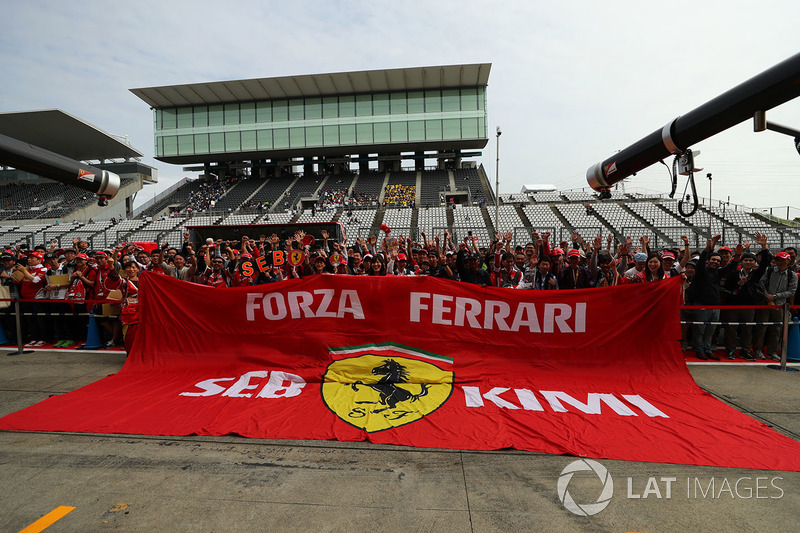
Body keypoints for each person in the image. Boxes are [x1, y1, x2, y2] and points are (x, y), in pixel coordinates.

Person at [692, 236, 741, 360]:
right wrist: (708, 248)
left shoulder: (718, 273)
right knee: (700, 330)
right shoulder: (701, 272)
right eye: (713, 259)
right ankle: (699, 350)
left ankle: (708, 350)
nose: (715, 262)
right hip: (702, 305)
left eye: (718, 261)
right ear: (708, 261)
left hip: (716, 306)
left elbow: (731, 266)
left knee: (710, 331)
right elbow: (702, 260)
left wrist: (737, 255)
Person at [723, 233, 771, 360]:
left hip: (749, 305)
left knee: (747, 329)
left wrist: (764, 247)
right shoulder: (733, 274)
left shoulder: (755, 275)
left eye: (751, 260)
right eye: (746, 260)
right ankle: (731, 350)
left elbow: (765, 262)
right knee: (730, 329)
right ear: (741, 262)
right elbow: (726, 289)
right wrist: (738, 285)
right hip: (733, 305)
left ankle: (745, 350)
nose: (748, 262)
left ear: (754, 262)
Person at [753, 250, 798, 360]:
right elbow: (761, 283)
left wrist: (775, 296)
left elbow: (792, 291)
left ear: (789, 261)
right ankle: (757, 350)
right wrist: (768, 297)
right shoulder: (769, 271)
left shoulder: (792, 275)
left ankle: (772, 351)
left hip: (780, 305)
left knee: (776, 329)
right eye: (778, 260)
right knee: (761, 327)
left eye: (783, 260)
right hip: (765, 304)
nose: (780, 262)